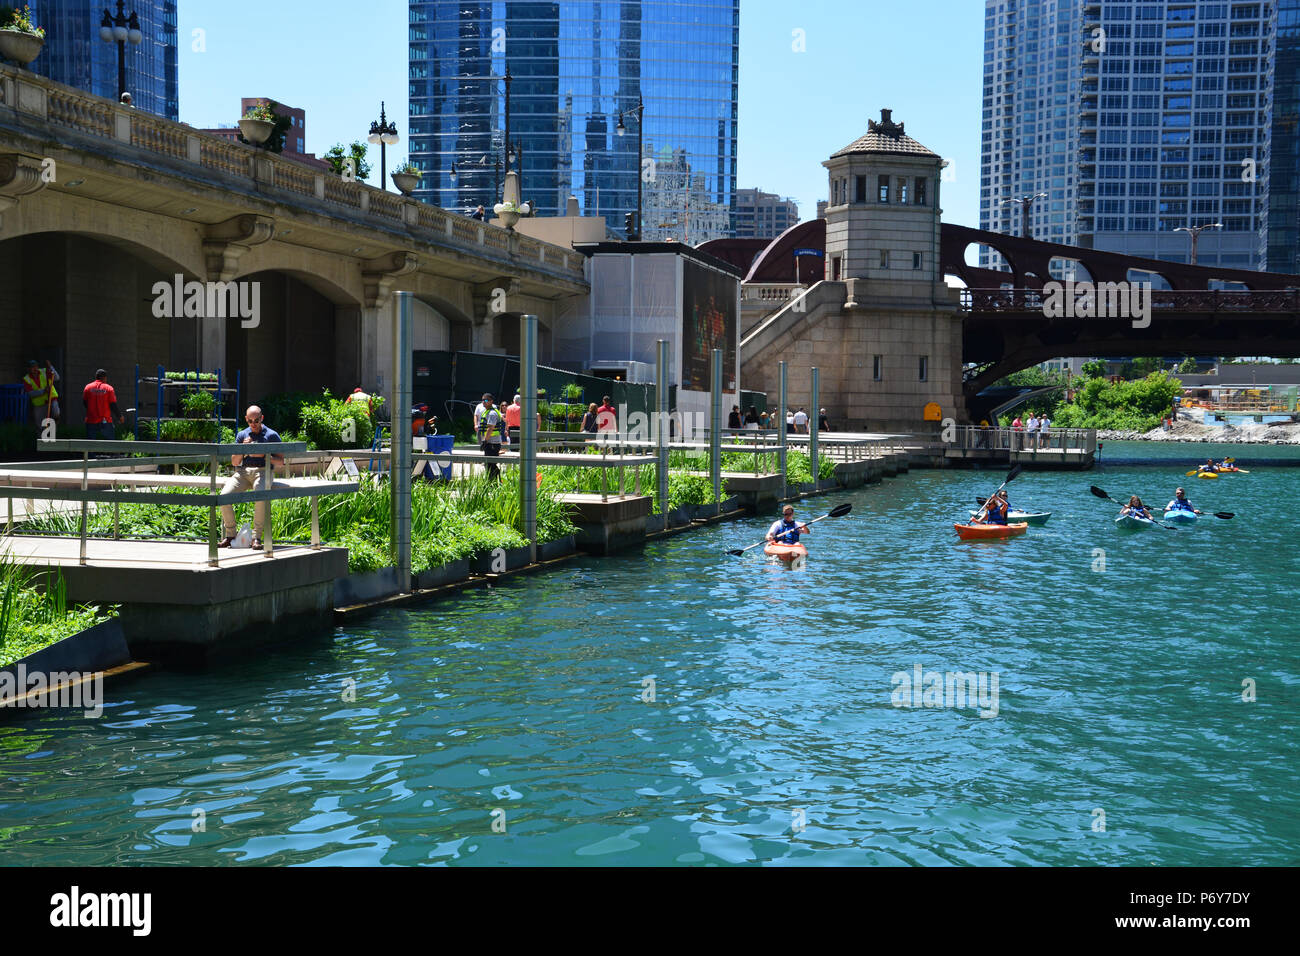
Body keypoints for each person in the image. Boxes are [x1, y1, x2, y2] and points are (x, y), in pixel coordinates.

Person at [218, 406, 284, 550]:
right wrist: (243, 449)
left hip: (263, 471)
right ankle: (230, 535)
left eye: (256, 420)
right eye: (250, 421)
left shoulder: (272, 435)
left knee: (260, 496)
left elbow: (280, 462)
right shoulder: (242, 435)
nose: (253, 423)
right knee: (224, 497)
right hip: (243, 472)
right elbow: (235, 462)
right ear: (246, 420)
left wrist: (264, 455)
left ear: (262, 418)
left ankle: (256, 538)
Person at [82, 368, 123, 446]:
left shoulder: (88, 387)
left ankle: (91, 457)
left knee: (90, 445)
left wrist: (92, 410)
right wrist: (120, 416)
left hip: (91, 420)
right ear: (104, 377)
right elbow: (113, 405)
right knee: (110, 444)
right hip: (105, 420)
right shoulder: (109, 388)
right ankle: (111, 456)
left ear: (96, 377)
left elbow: (85, 403)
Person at [22, 358, 60, 425]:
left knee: (55, 412)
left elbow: (56, 378)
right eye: (32, 367)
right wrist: (43, 391)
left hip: (51, 398)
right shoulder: (26, 379)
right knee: (40, 425)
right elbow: (30, 393)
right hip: (39, 404)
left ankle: (54, 424)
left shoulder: (44, 372)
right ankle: (41, 435)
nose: (35, 368)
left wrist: (51, 367)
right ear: (28, 369)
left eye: (36, 366)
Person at [477, 395, 505, 480]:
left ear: (491, 401)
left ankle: (495, 483)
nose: (483, 402)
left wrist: (485, 441)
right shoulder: (487, 411)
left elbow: (490, 428)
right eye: (482, 400)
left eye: (486, 400)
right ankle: (493, 482)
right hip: (489, 442)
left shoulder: (492, 413)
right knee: (489, 464)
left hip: (492, 443)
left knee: (491, 464)